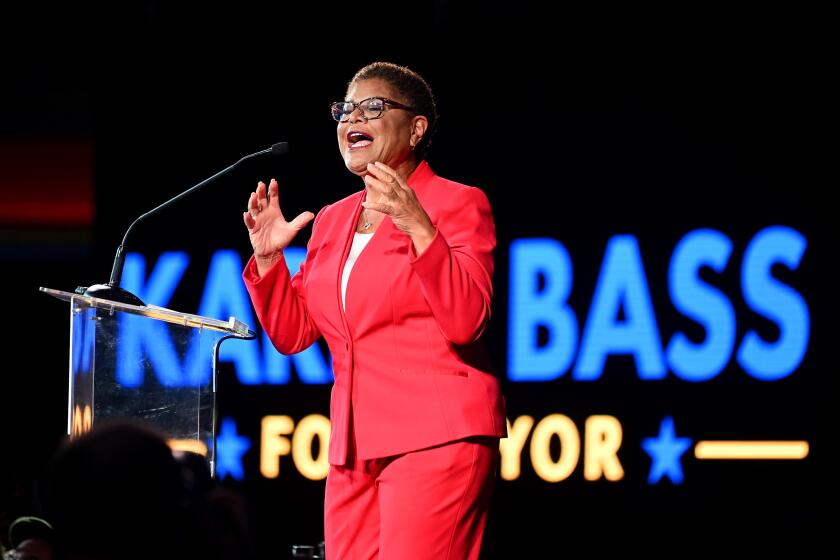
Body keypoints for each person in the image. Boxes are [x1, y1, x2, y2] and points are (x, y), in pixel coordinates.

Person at [242, 61, 506, 559]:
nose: (351, 118)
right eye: (345, 109)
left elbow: (468, 318)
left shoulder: (456, 204)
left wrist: (417, 226)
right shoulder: (333, 220)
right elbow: (294, 333)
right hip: (352, 445)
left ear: (417, 126)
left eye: (373, 107)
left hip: (436, 436)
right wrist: (269, 259)